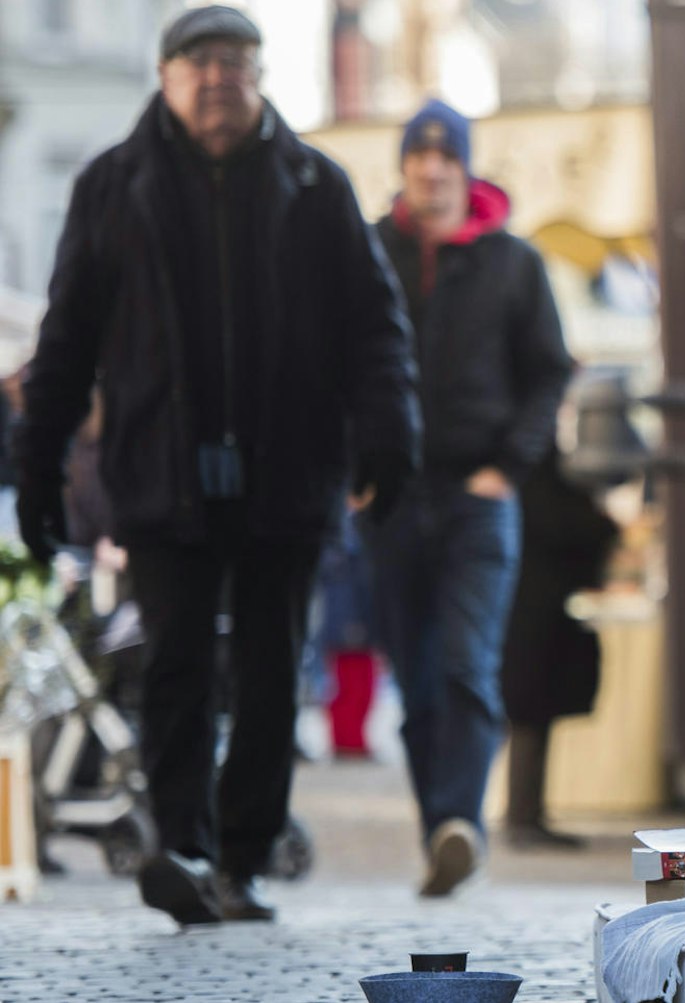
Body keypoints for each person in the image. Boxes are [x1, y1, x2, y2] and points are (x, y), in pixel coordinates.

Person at [9, 6, 419, 925]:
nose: (216, 80)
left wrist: (391, 437)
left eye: (234, 63)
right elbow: (67, 339)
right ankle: (182, 846)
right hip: (161, 472)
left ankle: (244, 856)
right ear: (165, 79)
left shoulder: (314, 183)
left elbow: (374, 329)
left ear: (261, 76)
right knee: (176, 667)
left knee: (274, 670)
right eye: (197, 64)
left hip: (288, 470)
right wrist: (38, 467)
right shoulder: (113, 184)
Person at [365, 99, 572, 896]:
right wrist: (358, 471)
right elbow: (340, 363)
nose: (431, 169)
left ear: (465, 167)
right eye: (418, 157)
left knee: (466, 665)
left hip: (479, 494)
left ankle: (463, 824)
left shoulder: (513, 262)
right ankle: (440, 830)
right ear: (405, 169)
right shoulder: (373, 252)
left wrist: (510, 466)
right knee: (413, 685)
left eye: (445, 157)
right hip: (392, 495)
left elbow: (550, 369)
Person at [500, 449, 619, 848]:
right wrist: (605, 524)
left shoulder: (523, 461)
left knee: (530, 713)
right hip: (534, 608)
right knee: (529, 713)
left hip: (531, 605)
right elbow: (565, 522)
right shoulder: (532, 467)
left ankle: (526, 815)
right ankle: (522, 818)